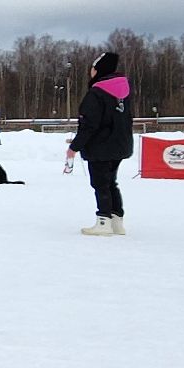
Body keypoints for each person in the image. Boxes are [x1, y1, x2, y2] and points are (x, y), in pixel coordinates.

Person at [68, 50, 135, 236]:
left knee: (100, 184)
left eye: (92, 68)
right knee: (111, 182)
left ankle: (103, 221)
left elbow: (88, 124)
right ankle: (117, 221)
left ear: (98, 70)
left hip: (100, 147)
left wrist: (75, 146)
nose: (90, 72)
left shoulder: (97, 93)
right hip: (120, 145)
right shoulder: (123, 91)